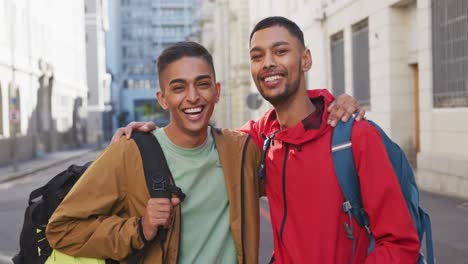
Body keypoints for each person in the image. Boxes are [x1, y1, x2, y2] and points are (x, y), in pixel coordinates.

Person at [116, 17, 420, 263]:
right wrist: (153, 133)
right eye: (257, 56)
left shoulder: (355, 136)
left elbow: (400, 243)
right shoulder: (258, 139)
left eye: (280, 51)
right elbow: (200, 140)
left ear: (305, 59)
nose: (268, 63)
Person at [46, 42, 263, 263]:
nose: (193, 96)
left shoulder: (241, 150)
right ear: (162, 99)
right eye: (179, 88)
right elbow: (62, 228)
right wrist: (140, 228)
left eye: (203, 84)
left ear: (216, 91)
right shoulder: (130, 152)